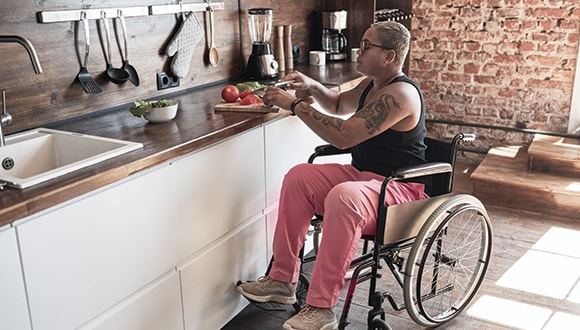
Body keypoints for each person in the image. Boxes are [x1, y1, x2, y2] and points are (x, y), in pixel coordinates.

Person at [237, 21, 430, 330]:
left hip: (399, 189)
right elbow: (339, 104)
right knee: (299, 176)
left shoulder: (400, 95)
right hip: (362, 177)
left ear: (390, 56)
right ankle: (282, 279)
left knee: (345, 196)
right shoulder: (372, 84)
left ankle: (321, 308)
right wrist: (311, 86)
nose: (359, 50)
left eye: (368, 45)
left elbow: (343, 137)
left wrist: (295, 105)